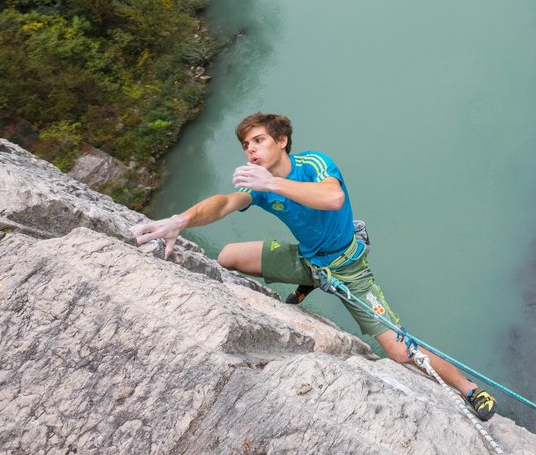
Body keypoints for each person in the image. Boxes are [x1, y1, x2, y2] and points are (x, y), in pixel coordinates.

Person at [130, 111, 496, 421]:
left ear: (282, 141)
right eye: (246, 145)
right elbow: (224, 203)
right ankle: (310, 281)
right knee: (228, 257)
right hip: (309, 259)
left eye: (258, 140)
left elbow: (333, 198)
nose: (251, 149)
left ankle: (470, 389)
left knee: (400, 351)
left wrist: (273, 184)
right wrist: (181, 220)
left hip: (348, 269)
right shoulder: (259, 186)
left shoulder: (313, 164)